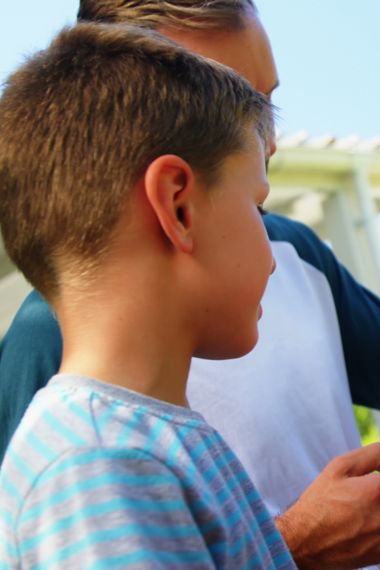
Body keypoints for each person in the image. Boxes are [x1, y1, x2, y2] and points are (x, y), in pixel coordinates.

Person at [0, 1, 380, 568]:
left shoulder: (175, 420)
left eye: (267, 102)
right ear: (177, 203)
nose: (270, 141)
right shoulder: (85, 447)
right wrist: (294, 546)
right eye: (231, 96)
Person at [0, 22, 293, 566]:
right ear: (178, 206)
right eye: (258, 208)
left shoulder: (141, 436)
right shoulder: (97, 462)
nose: (274, 255)